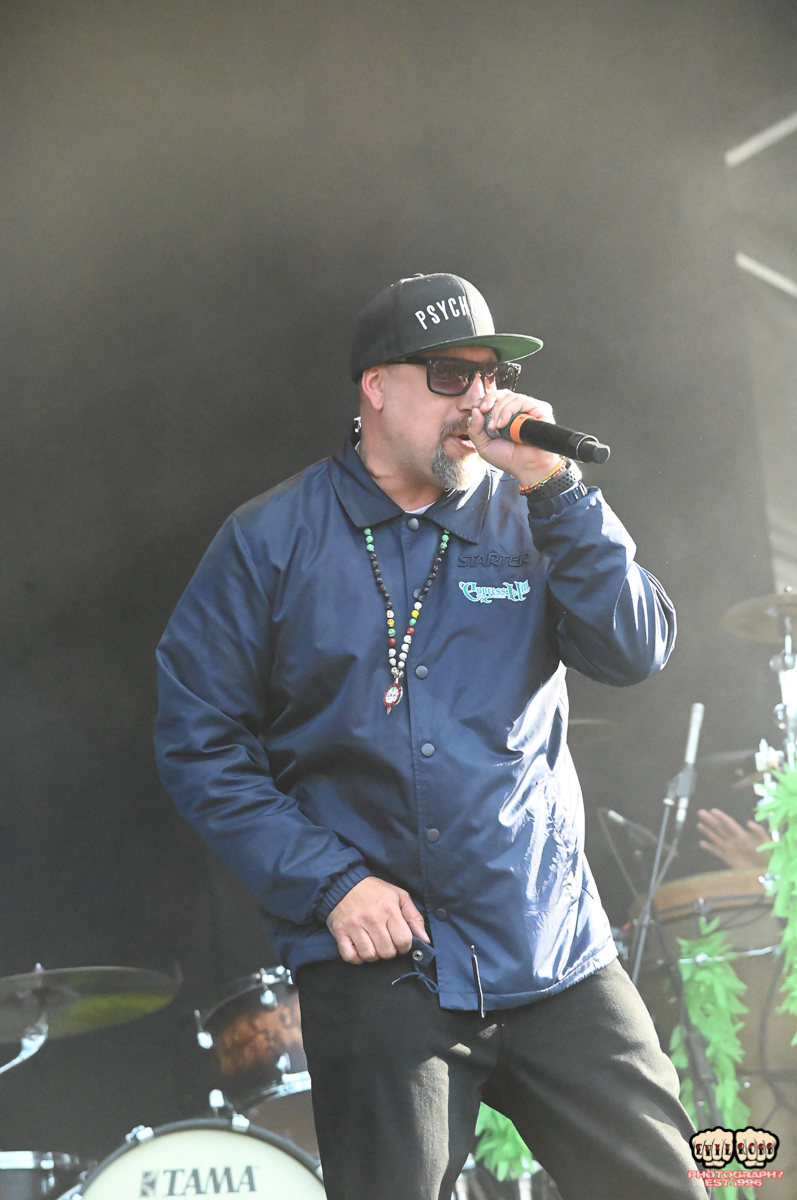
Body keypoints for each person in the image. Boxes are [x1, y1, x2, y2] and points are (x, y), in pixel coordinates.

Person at [154, 273, 707, 1199]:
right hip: (384, 965)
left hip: (549, 943)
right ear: (376, 386)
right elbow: (196, 741)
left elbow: (637, 648)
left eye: (490, 376)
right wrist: (331, 884)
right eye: (451, 375)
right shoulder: (269, 538)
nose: (477, 399)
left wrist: (559, 488)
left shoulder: (533, 511)